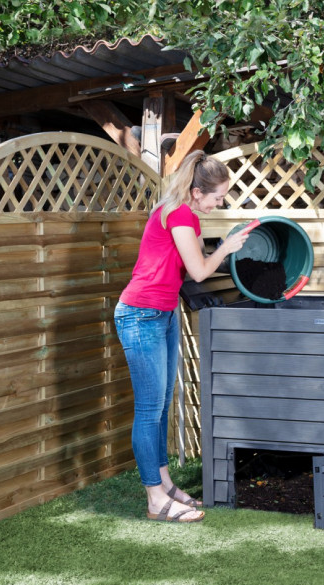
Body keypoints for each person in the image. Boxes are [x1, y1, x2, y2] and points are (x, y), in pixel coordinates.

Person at [114, 150, 249, 523]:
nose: (220, 203)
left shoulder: (182, 213)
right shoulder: (178, 213)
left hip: (163, 313)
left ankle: (165, 484)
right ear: (196, 191)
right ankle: (155, 499)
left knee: (159, 408)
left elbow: (189, 269)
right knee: (148, 410)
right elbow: (200, 271)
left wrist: (218, 246)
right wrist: (226, 247)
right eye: (217, 197)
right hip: (141, 314)